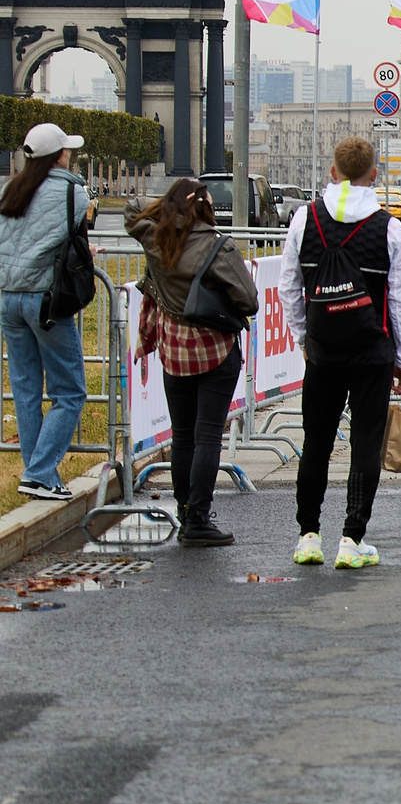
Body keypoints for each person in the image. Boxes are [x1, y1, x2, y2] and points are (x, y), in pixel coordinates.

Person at [278, 137, 401, 567]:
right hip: (372, 351)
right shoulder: (387, 226)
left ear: (332, 173)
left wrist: (305, 337)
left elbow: (288, 288)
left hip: (323, 351)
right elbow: (399, 299)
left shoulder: (304, 219)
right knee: (365, 443)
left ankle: (308, 535)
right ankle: (352, 540)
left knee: (315, 441)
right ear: (375, 175)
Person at [128, 176, 257, 545]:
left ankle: (185, 513)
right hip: (213, 348)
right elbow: (249, 301)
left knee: (183, 436)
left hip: (173, 349)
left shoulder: (156, 239)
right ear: (205, 207)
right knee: (207, 436)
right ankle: (199, 519)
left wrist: (171, 209)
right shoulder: (217, 248)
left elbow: (131, 209)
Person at [0, 121, 92, 501]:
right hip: (44, 299)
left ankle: (37, 474)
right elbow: (75, 241)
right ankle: (39, 472)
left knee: (25, 389)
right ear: (60, 155)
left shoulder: (11, 189)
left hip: (8, 297)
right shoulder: (74, 192)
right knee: (69, 392)